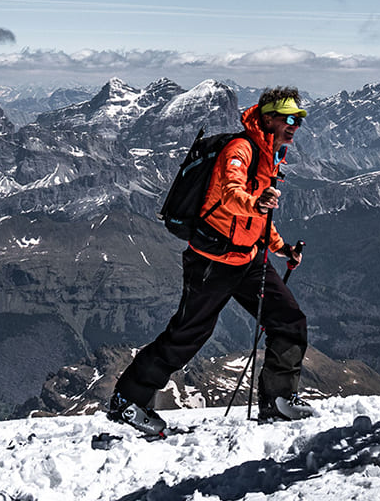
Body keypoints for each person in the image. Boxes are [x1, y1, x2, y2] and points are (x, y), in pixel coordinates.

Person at [110, 86, 313, 433]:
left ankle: (277, 401)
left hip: (248, 260)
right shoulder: (240, 149)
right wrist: (256, 202)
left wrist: (282, 249)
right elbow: (232, 194)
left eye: (299, 120)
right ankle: (127, 401)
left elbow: (257, 219)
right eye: (288, 119)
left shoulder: (270, 154)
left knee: (289, 320)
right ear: (268, 118)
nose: (295, 125)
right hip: (212, 261)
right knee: (187, 335)